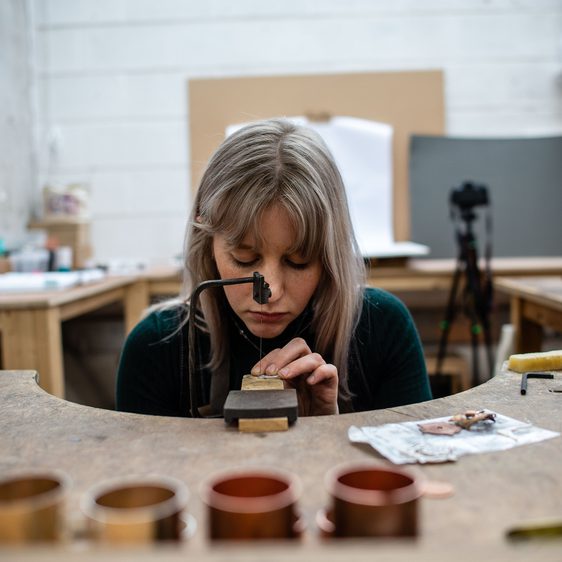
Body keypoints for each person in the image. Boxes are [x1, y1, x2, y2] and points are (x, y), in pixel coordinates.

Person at [116, 118, 431, 417]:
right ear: (207, 239)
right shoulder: (156, 348)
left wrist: (325, 430)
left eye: (298, 262)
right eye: (244, 258)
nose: (270, 292)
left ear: (329, 256)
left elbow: (413, 465)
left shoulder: (383, 328)